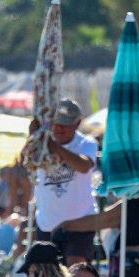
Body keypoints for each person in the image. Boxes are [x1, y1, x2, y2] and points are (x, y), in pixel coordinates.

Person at [30, 99, 99, 265]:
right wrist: (33, 136)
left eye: (65, 125)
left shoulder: (86, 143)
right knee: (48, 273)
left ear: (77, 124)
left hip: (80, 221)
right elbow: (28, 162)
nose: (59, 128)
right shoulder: (41, 143)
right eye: (56, 123)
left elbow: (83, 166)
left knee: (76, 269)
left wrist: (52, 146)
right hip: (47, 222)